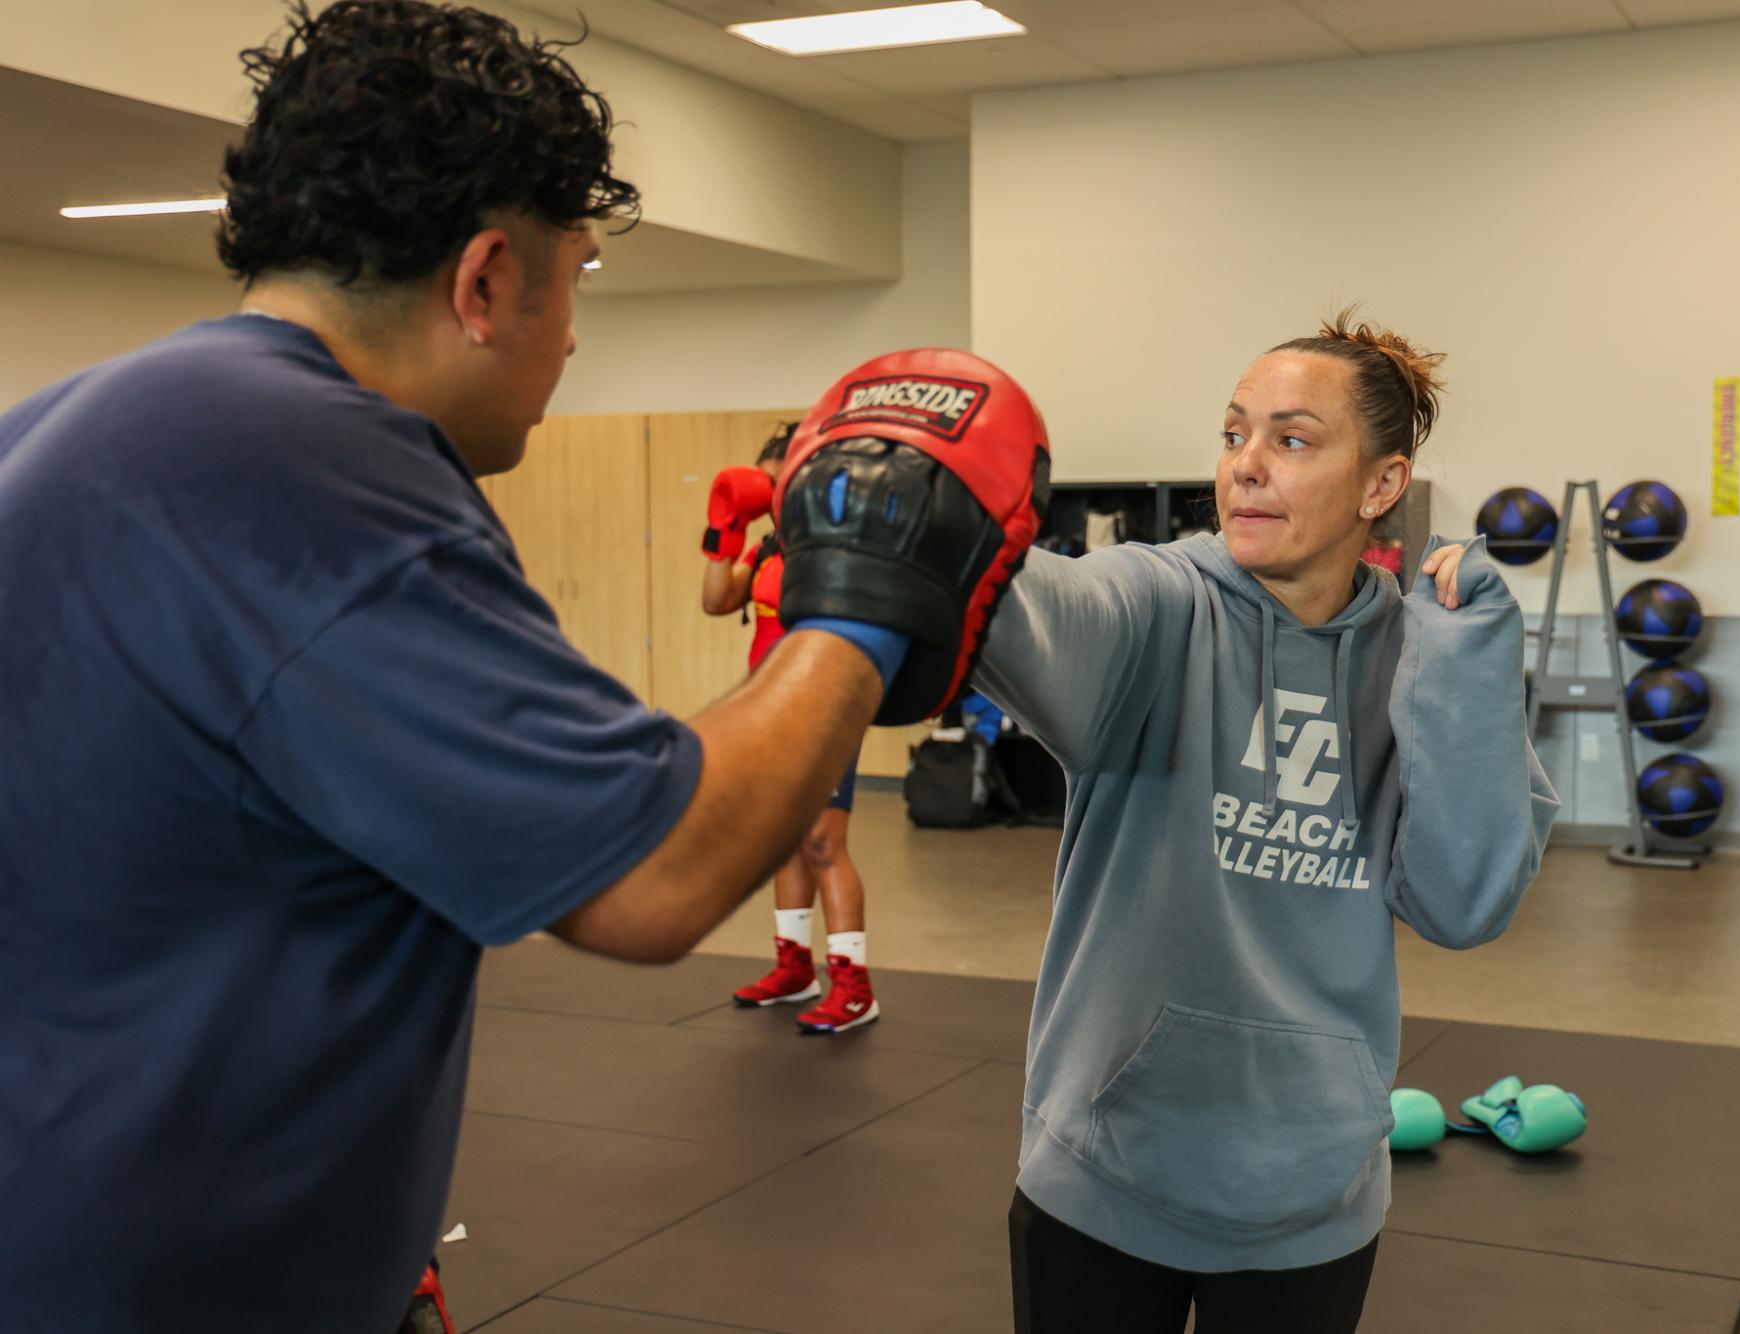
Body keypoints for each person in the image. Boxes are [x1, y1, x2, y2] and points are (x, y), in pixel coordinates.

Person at [0, 3, 1041, 1329]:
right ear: (488, 279)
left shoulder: (66, 427)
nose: (571, 336)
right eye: (578, 280)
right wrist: (864, 600)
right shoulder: (319, 467)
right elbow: (651, 878)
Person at [976, 310, 1561, 1333]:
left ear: (1382, 485)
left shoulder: (1417, 657)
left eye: (1291, 440)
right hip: (1106, 1169)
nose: (1246, 465)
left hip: (1313, 1190)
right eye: (1235, 432)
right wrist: (962, 546)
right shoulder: (1158, 601)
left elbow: (1463, 900)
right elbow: (1043, 613)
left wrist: (1464, 674)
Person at [700, 423, 880, 1033]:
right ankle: (794, 968)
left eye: (786, 484)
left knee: (825, 842)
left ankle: (854, 987)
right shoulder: (769, 548)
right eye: (768, 486)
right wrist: (725, 528)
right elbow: (716, 599)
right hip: (769, 705)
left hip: (824, 706)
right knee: (786, 839)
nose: (777, 494)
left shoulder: (835, 546)